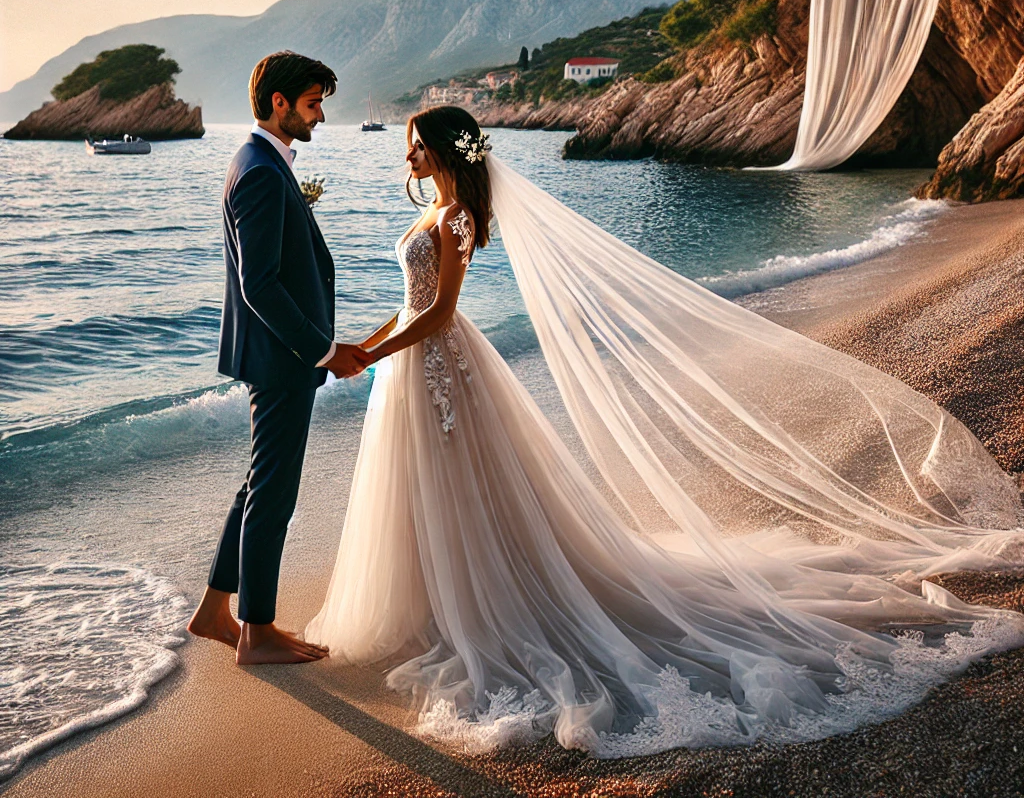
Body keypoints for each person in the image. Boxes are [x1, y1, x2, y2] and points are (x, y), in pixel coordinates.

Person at [304, 104, 1024, 757]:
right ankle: (436, 598)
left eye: (416, 147)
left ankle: (486, 600)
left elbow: (439, 315)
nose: (407, 157)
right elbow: (410, 306)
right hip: (410, 367)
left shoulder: (456, 218)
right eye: (407, 147)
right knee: (424, 488)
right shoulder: (436, 211)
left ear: (445, 152)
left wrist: (369, 353)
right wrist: (360, 349)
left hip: (439, 366)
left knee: (463, 485)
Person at [188, 51, 369, 665]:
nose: (320, 116)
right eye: (313, 104)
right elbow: (258, 283)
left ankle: (215, 611)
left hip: (276, 356)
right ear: (279, 104)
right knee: (274, 492)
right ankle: (256, 633)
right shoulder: (262, 170)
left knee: (257, 485)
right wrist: (325, 350)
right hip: (283, 358)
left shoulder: (262, 161)